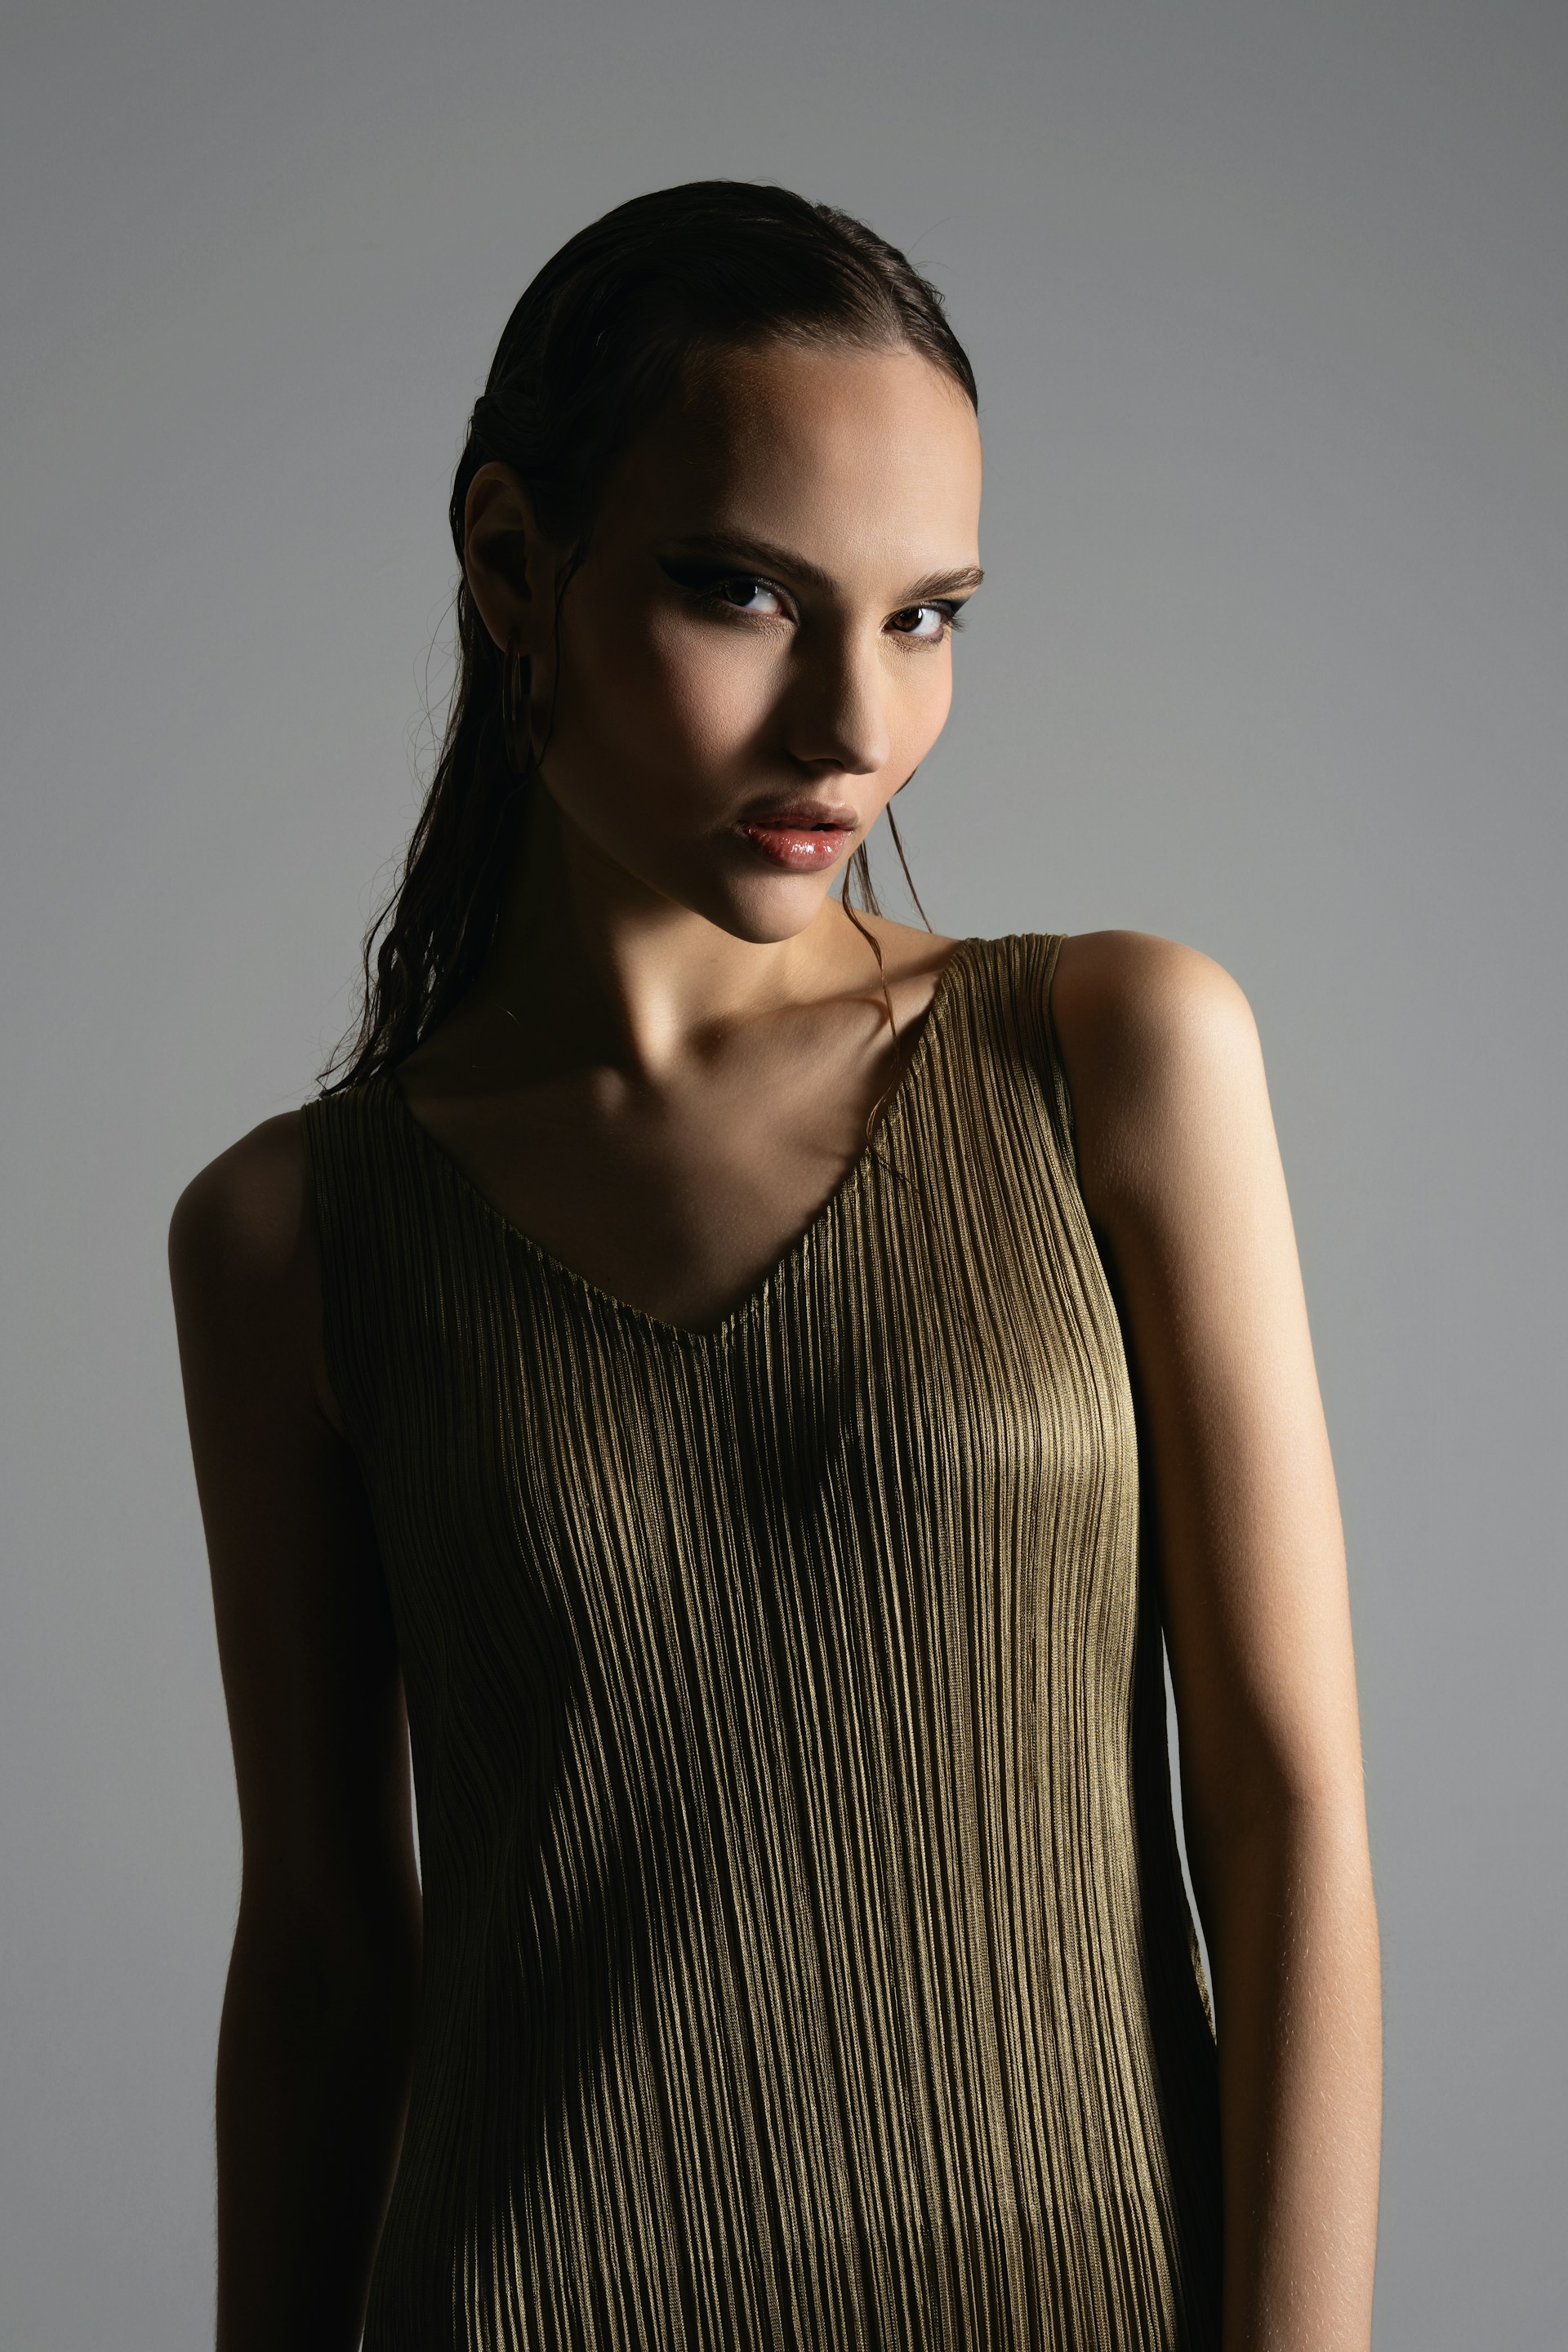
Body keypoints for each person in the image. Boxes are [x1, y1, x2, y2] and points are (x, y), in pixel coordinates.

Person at [168, 181, 1382, 2352]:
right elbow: (331, 1955)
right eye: (747, 594)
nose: (853, 724)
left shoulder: (1112, 1054)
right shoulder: (291, 1236)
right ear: (512, 563)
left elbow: (1287, 1810)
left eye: (929, 618)